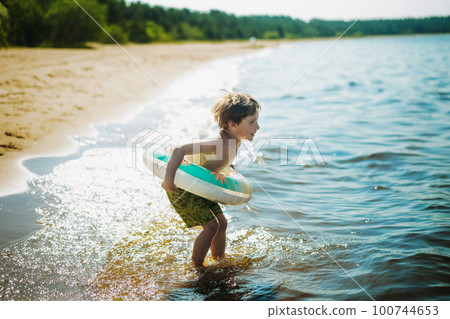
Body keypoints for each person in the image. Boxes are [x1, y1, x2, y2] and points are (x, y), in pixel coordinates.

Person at [162, 92, 261, 268]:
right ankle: (197, 267)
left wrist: (229, 169)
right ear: (232, 124)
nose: (258, 127)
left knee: (222, 223)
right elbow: (179, 150)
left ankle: (219, 260)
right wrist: (168, 180)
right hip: (184, 188)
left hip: (200, 188)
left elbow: (219, 163)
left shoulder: (235, 140)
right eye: (252, 122)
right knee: (211, 226)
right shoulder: (219, 142)